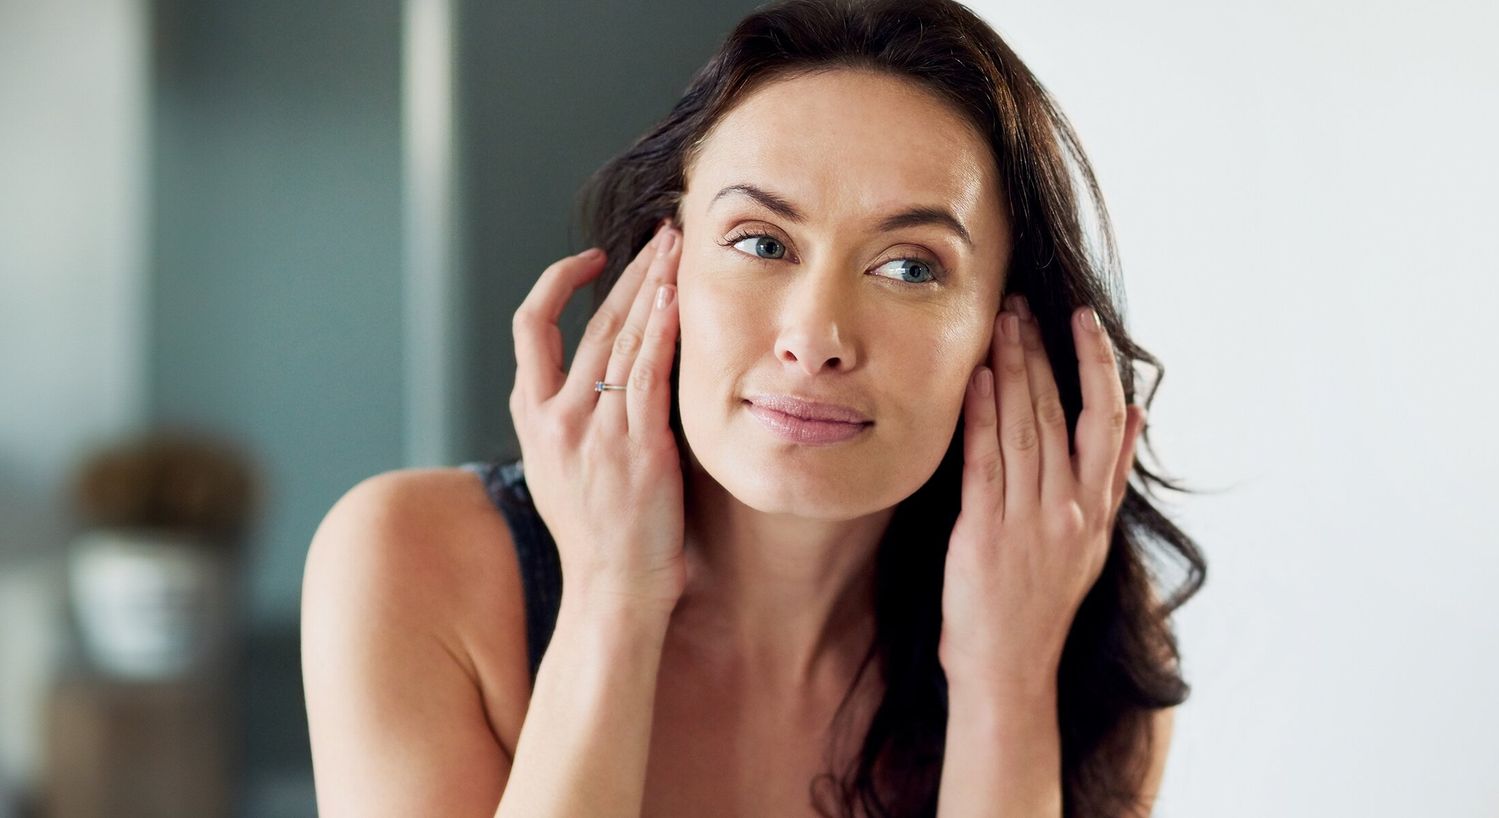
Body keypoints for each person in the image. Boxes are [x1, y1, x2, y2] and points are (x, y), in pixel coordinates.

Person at [302, 0, 1207, 815]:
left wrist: (1005, 681)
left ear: (1007, 327)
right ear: (671, 267)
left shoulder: (1093, 653)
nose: (815, 337)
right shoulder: (411, 564)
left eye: (910, 267)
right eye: (761, 241)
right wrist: (613, 597)